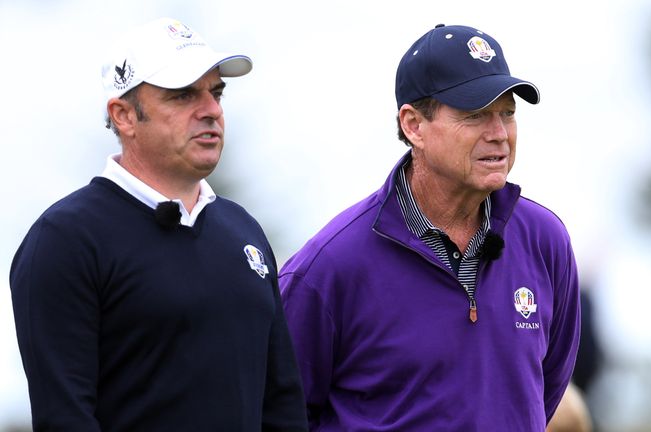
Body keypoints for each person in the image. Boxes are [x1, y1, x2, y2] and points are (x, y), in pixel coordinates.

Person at [10, 17, 307, 431]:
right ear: (125, 116)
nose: (212, 110)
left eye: (216, 92)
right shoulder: (66, 239)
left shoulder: (244, 231)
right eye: (183, 95)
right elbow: (65, 417)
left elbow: (283, 404)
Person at [279, 24, 580, 430]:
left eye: (507, 114)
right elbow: (278, 412)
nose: (498, 134)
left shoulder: (546, 241)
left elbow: (541, 395)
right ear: (414, 125)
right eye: (475, 115)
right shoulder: (330, 265)